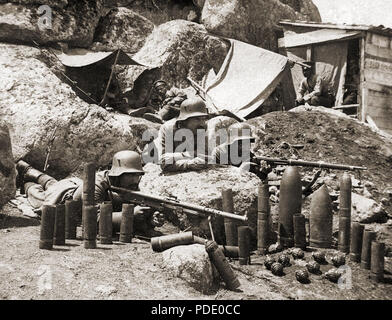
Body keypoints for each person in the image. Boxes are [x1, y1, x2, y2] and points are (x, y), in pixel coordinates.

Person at [16, 151, 164, 234]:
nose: (135, 179)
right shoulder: (97, 183)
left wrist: (150, 219)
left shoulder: (129, 186)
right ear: (118, 174)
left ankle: (29, 170)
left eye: (137, 175)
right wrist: (130, 215)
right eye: (130, 175)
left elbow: (126, 206)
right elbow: (93, 219)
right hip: (64, 196)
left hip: (76, 184)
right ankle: (25, 180)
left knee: (51, 183)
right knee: (37, 194)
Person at [143, 97, 211, 172]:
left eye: (204, 118)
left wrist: (177, 156)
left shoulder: (202, 127)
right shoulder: (169, 129)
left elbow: (205, 154)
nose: (202, 123)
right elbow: (164, 161)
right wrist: (187, 163)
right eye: (197, 119)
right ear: (185, 120)